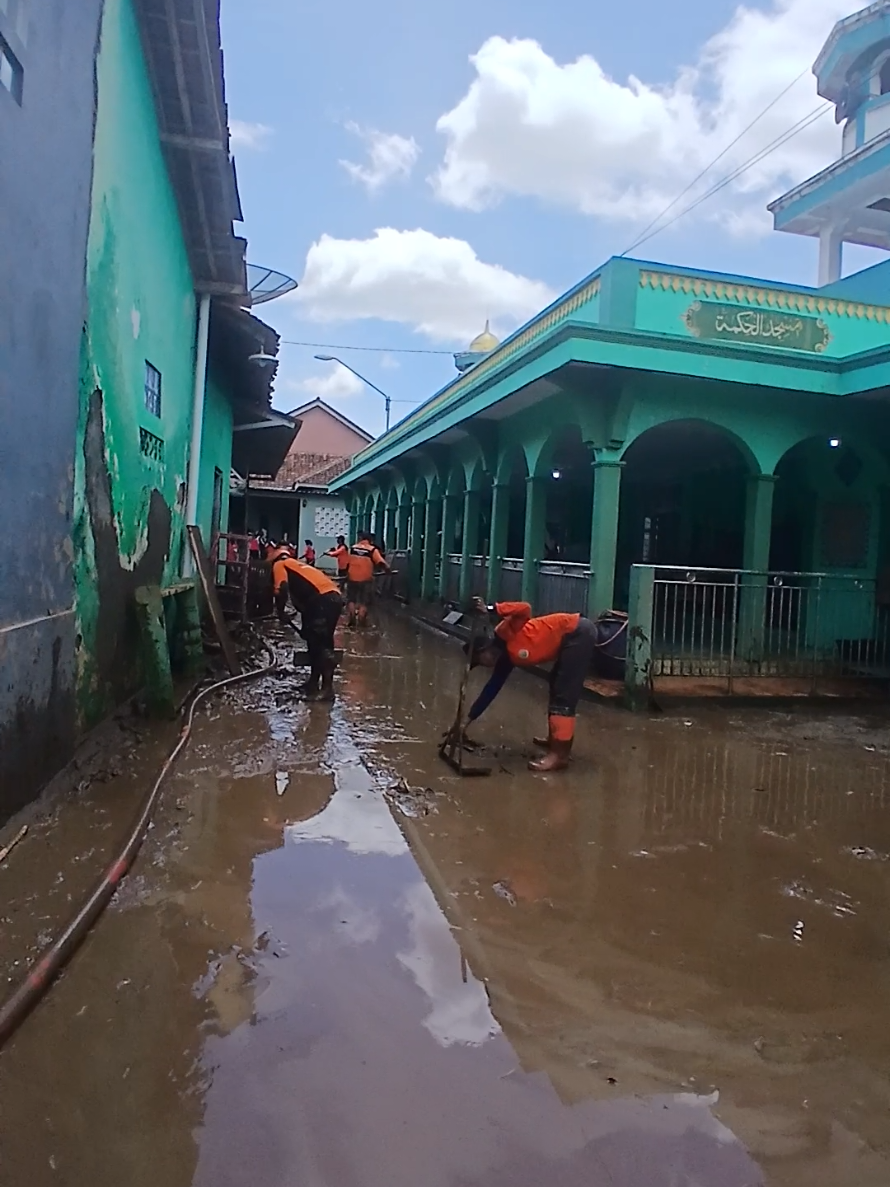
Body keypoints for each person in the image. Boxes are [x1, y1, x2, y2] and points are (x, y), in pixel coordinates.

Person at [461, 598, 598, 772]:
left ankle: (559, 755)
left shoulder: (507, 631)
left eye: (481, 660)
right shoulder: (506, 658)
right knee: (556, 684)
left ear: (485, 649)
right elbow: (491, 689)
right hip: (568, 640)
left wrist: (491, 608)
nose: (486, 664)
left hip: (577, 633)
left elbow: (525, 608)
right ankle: (555, 739)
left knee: (564, 695)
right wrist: (466, 722)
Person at [269, 548, 343, 701]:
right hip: (332, 598)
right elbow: (303, 599)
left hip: (322, 601)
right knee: (317, 642)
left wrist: (280, 611)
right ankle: (313, 682)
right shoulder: (299, 566)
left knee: (321, 646)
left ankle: (327, 689)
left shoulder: (280, 564)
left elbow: (281, 589)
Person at [345, 533, 391, 628]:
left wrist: (347, 573)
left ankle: (352, 618)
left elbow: (346, 562)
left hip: (352, 577)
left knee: (351, 599)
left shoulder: (352, 548)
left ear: (361, 539)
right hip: (366, 578)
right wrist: (387, 570)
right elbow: (381, 562)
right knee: (364, 601)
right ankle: (361, 621)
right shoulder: (372, 549)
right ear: (371, 541)